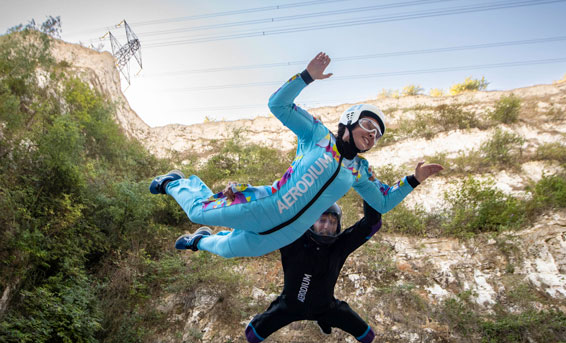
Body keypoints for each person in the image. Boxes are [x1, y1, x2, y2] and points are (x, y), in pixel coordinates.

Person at [150, 52, 443, 258]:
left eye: (377, 134)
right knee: (195, 210)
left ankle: (200, 241)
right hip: (262, 207)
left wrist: (413, 180)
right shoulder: (317, 135)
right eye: (368, 125)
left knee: (227, 250)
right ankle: (175, 182)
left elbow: (382, 201)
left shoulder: (359, 170)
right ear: (350, 120)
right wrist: (306, 77)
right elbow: (277, 105)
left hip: (287, 233)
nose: (372, 135)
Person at [242, 201, 380, 343]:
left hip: (326, 308)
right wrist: (237, 195)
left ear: (338, 226)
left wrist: (367, 183)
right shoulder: (293, 239)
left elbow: (373, 224)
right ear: (312, 221)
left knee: (367, 337)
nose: (327, 226)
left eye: (333, 222)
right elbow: (263, 218)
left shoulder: (340, 245)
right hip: (288, 307)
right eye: (322, 220)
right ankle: (323, 321)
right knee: (252, 336)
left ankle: (323, 319)